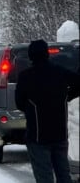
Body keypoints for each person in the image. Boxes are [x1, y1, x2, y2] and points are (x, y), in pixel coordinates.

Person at [15, 39, 79, 183]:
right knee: (64, 176)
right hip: (60, 134)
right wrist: (67, 96)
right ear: (47, 54)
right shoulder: (60, 72)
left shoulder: (26, 77)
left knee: (44, 178)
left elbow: (19, 103)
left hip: (37, 136)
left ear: (30, 56)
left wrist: (30, 107)